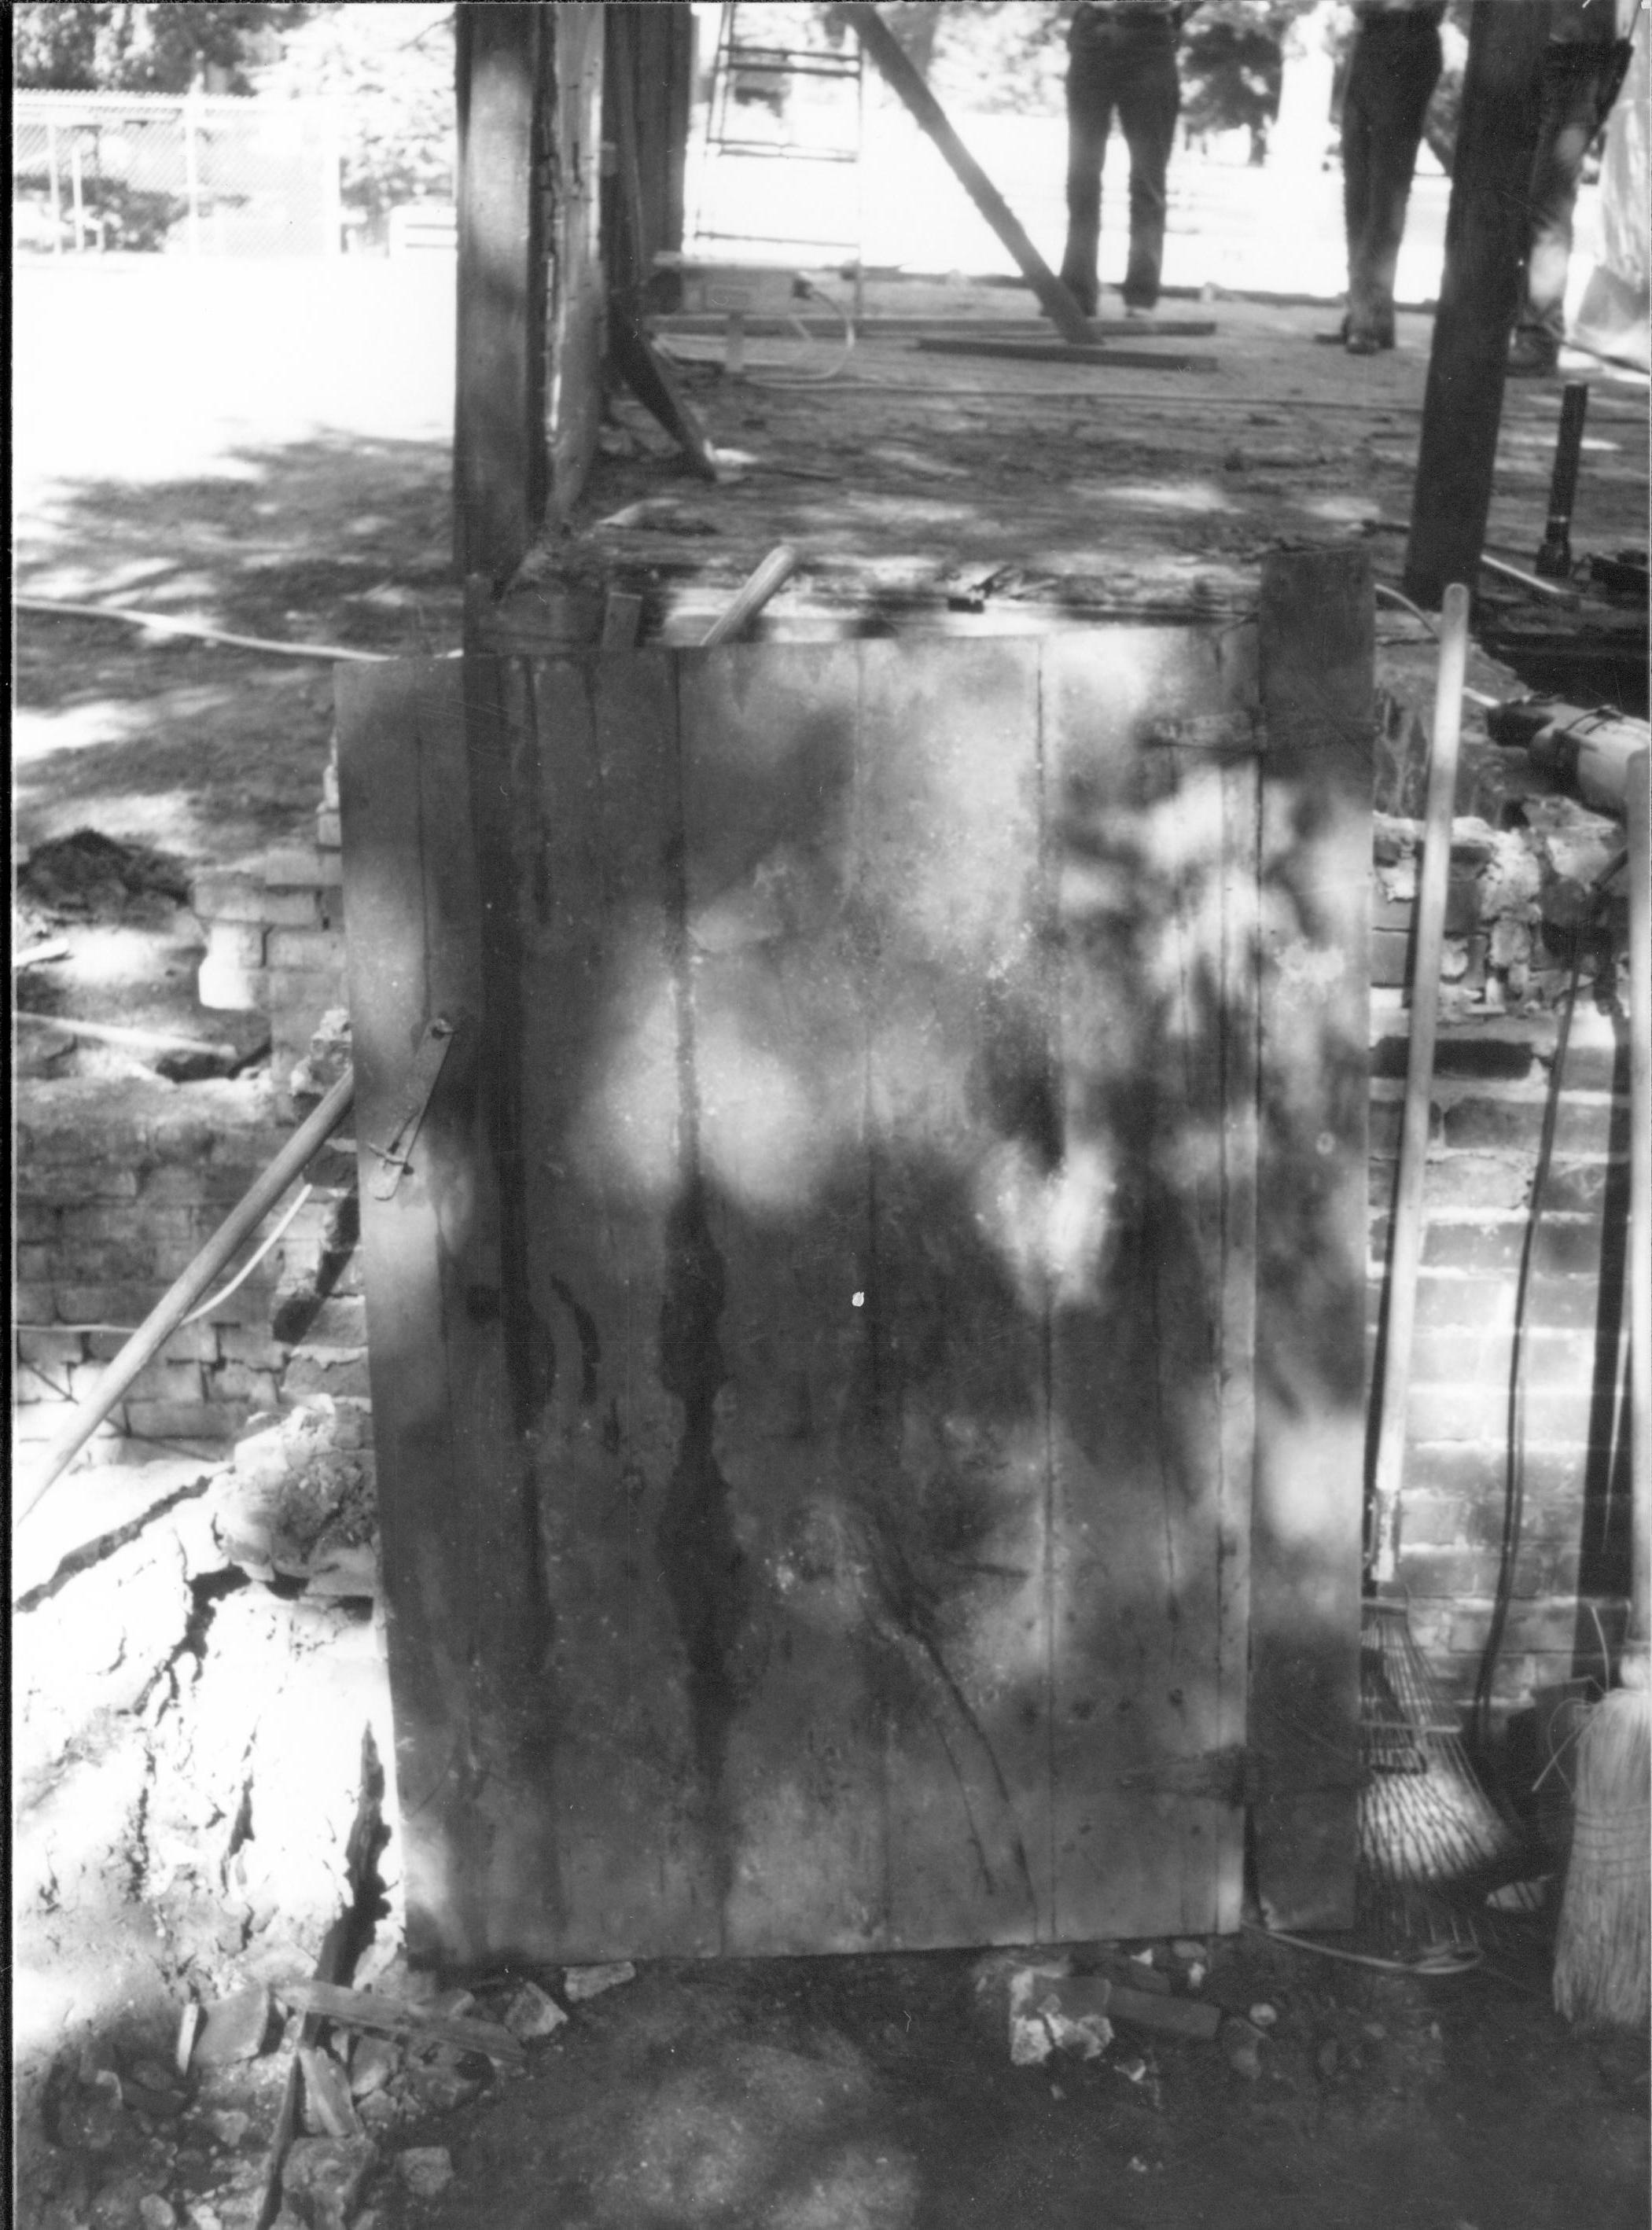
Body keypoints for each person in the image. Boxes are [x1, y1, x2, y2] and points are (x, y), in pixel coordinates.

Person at [1509, 0, 1637, 377]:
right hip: (1564, 48)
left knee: (1546, 203)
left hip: (1577, 53)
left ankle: (1540, 335)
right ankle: (1533, 329)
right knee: (1539, 201)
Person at [1059, 1, 1202, 321]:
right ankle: (1075, 293)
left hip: (1151, 39)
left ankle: (1141, 295)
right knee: (1082, 174)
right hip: (1092, 35)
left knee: (1148, 177)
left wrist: (1178, 12)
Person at [1338, 0, 1446, 355]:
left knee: (1386, 189)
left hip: (1408, 38)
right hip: (1367, 38)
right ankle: (1365, 309)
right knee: (1358, 186)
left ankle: (1368, 314)